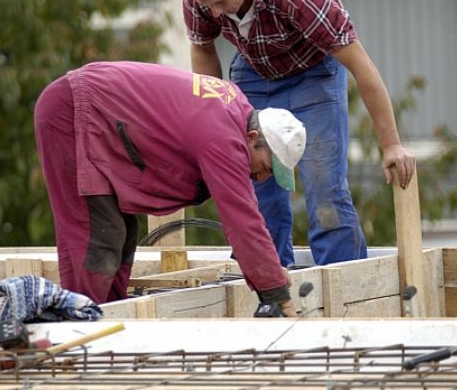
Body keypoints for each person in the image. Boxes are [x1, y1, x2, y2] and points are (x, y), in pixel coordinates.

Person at [180, 0, 416, 267]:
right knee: (256, 184)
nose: (217, 13)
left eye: (221, 2)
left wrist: (391, 145)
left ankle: (343, 283)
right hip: (254, 71)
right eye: (210, 6)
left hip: (312, 73)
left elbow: (361, 65)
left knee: (324, 187)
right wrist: (215, 123)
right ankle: (267, 283)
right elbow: (204, 51)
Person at [34, 60, 306, 317]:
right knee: (99, 235)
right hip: (73, 109)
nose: (260, 179)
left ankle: (110, 317)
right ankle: (80, 331)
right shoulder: (223, 136)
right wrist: (277, 295)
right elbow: (241, 218)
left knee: (123, 233)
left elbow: (244, 206)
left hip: (99, 116)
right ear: (253, 138)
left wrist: (267, 267)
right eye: (267, 168)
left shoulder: (235, 114)